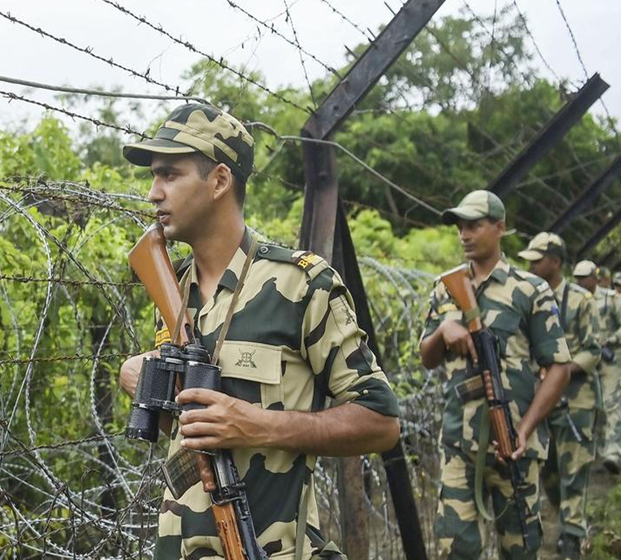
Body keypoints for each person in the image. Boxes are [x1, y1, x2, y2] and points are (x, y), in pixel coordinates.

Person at [118, 103, 400, 560]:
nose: (153, 193)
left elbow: (381, 422)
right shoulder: (172, 289)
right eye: (154, 176)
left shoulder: (301, 285)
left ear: (220, 181)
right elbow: (181, 430)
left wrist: (258, 425)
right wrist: (144, 379)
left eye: (170, 175)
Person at [419, 192, 572, 560]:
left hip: (513, 447)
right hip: (459, 443)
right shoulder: (445, 288)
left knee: (519, 548)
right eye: (460, 227)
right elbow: (426, 356)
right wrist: (444, 331)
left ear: (500, 228)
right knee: (454, 549)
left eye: (474, 225)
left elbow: (559, 366)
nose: (464, 235)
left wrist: (526, 428)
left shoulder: (530, 289)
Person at [517, 234, 601, 559]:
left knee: (575, 469)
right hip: (540, 400)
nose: (530, 265)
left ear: (555, 261)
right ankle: (566, 520)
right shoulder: (526, 298)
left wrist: (561, 371)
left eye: (536, 260)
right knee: (549, 471)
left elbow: (593, 349)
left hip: (575, 399)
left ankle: (572, 535)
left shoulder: (580, 301)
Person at [574, 260, 621, 475]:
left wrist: (610, 340)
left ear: (595, 278)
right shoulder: (574, 300)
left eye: (585, 278)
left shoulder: (611, 300)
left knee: (611, 403)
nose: (581, 282)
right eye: (578, 279)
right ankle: (591, 453)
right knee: (590, 404)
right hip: (584, 360)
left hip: (610, 358)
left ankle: (612, 452)